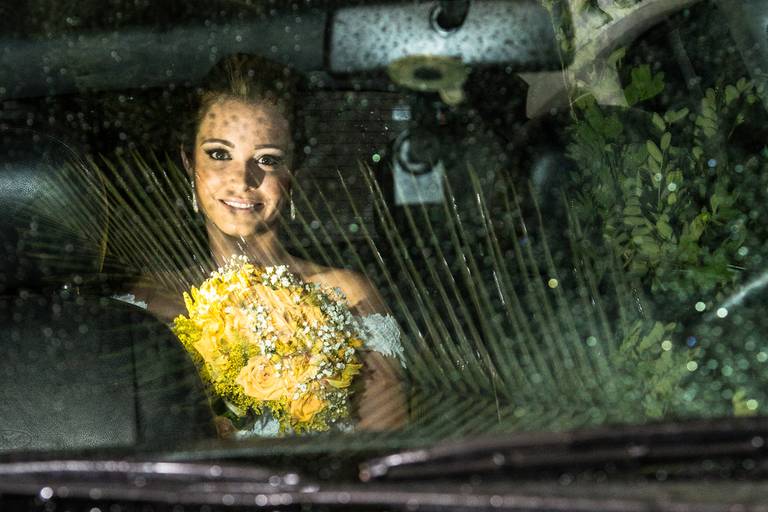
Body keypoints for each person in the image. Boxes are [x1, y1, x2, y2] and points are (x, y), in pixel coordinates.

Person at [123, 54, 407, 435]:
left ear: (293, 174)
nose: (242, 178)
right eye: (219, 154)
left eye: (268, 159)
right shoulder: (148, 303)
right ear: (189, 164)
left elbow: (384, 449)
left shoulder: (347, 297)